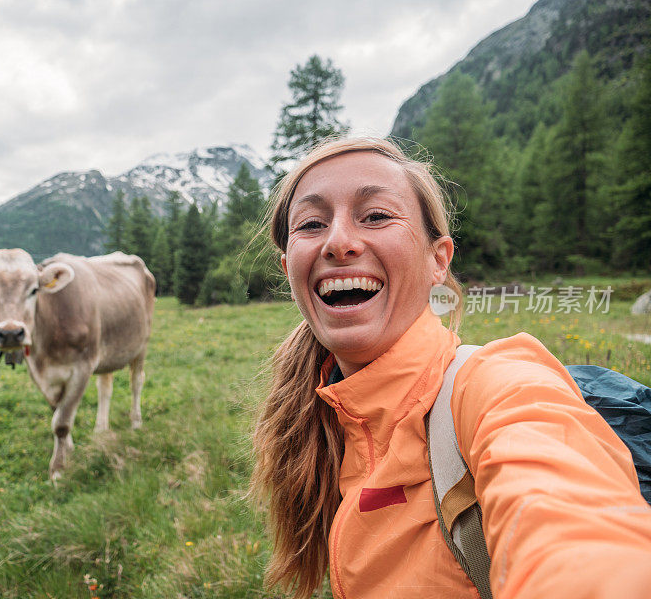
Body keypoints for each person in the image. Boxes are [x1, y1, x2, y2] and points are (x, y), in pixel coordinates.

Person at [250, 137, 651, 599]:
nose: (338, 242)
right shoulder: (321, 419)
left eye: (377, 216)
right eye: (312, 224)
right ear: (288, 267)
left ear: (438, 259)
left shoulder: (498, 387)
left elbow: (574, 533)